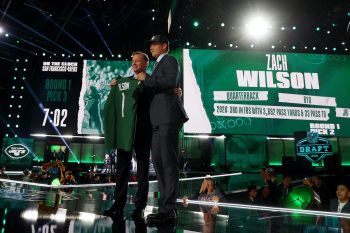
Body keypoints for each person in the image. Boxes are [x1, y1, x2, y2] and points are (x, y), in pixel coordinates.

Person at [137, 35, 188, 224]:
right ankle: (165, 208)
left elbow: (170, 81)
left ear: (165, 46)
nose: (151, 47)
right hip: (156, 121)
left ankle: (169, 209)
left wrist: (147, 79)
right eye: (150, 44)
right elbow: (162, 87)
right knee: (159, 164)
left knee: (168, 164)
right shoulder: (158, 65)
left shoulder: (170, 59)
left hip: (168, 117)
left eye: (155, 44)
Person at [103, 51, 153, 219]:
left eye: (138, 61)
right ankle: (118, 204)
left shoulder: (152, 82)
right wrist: (115, 86)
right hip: (126, 131)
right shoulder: (126, 82)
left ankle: (140, 206)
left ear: (146, 63)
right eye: (133, 61)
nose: (134, 63)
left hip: (143, 131)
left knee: (142, 170)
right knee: (121, 169)